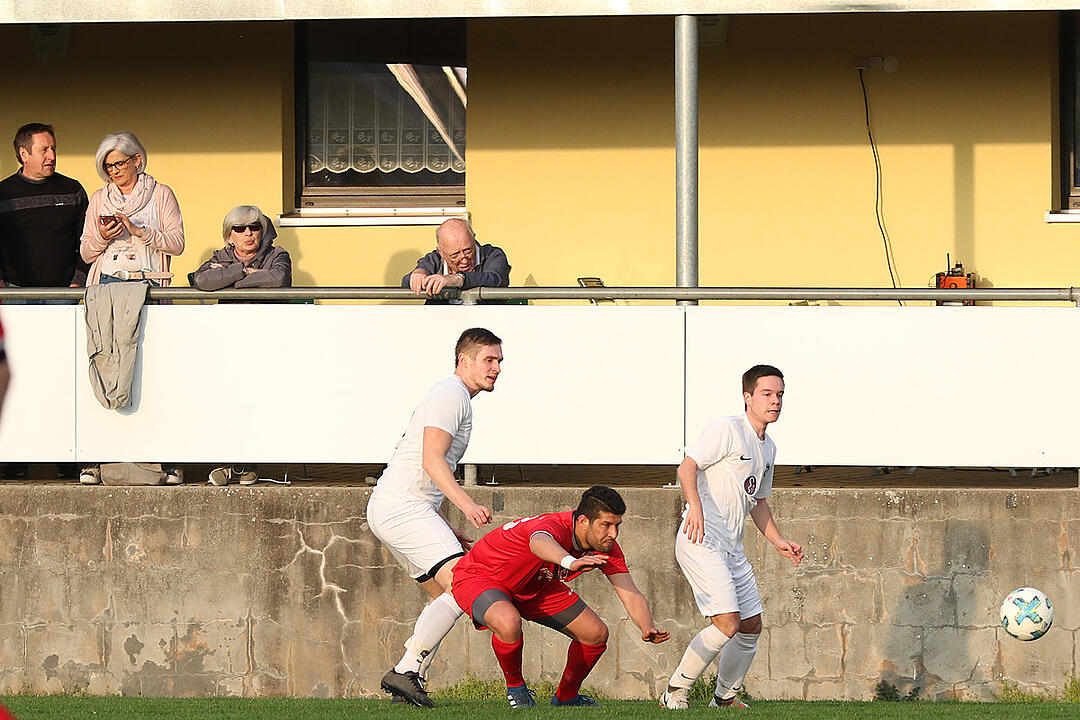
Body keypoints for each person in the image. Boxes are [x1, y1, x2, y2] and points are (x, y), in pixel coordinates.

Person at [659, 365, 803, 710]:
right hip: (702, 539)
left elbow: (758, 500)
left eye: (780, 394)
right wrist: (693, 505)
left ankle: (724, 698)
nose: (775, 401)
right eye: (767, 394)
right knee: (727, 623)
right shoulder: (727, 428)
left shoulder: (769, 449)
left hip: (732, 549)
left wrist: (778, 540)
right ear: (747, 397)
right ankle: (674, 692)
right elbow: (687, 466)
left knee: (751, 625)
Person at [371, 327, 502, 707]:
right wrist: (468, 506)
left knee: (449, 595)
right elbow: (431, 461)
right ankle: (406, 671)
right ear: (464, 360)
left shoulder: (456, 395)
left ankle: (407, 684)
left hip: (400, 508)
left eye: (499, 362)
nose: (496, 369)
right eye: (488, 360)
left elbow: (429, 466)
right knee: (466, 586)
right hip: (403, 508)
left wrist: (447, 527)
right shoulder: (451, 393)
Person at [451, 485, 669, 709]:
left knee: (595, 633)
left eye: (617, 525)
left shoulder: (606, 546)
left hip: (534, 584)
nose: (613, 534)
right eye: (606, 525)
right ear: (583, 521)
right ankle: (517, 690)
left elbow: (629, 592)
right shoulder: (553, 526)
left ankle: (566, 698)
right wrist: (570, 562)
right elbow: (538, 542)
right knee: (508, 621)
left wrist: (646, 626)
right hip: (481, 576)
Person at [0, 123, 87, 480]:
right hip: (15, 298)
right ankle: (17, 458)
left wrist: (76, 283)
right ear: (24, 154)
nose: (52, 155)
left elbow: (88, 241)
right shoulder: (3, 194)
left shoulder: (72, 190)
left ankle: (67, 457)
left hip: (62, 298)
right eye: (44, 149)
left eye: (53, 148)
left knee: (62, 378)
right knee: (19, 379)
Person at [79, 131, 184, 287]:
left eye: (119, 163)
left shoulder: (160, 193)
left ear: (137, 159)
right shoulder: (99, 198)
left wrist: (140, 232)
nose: (114, 171)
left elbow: (177, 245)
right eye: (109, 166)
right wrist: (103, 237)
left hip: (149, 282)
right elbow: (86, 254)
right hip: (105, 281)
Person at [402, 218, 510, 303]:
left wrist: (459, 279)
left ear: (474, 239)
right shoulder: (434, 259)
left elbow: (496, 278)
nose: (464, 260)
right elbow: (406, 282)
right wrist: (417, 274)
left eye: (468, 251)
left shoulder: (493, 255)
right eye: (455, 255)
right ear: (441, 252)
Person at [190, 205, 291, 292]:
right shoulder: (221, 256)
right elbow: (201, 280)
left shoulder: (277, 255)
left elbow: (280, 278)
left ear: (262, 232)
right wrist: (244, 271)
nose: (248, 233)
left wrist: (227, 278)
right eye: (240, 229)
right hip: (230, 313)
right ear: (229, 237)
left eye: (254, 227)